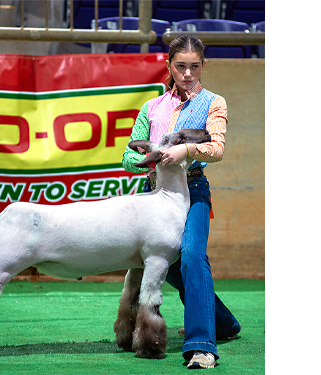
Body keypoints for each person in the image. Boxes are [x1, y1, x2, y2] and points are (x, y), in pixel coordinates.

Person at [122, 34, 241, 369]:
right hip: (152, 194)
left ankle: (201, 345)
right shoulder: (151, 107)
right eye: (181, 66)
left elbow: (216, 148)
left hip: (193, 191)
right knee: (163, 263)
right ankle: (226, 323)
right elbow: (127, 156)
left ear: (203, 66)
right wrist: (146, 159)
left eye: (194, 66)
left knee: (190, 256)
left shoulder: (214, 103)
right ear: (169, 66)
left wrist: (186, 149)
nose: (188, 73)